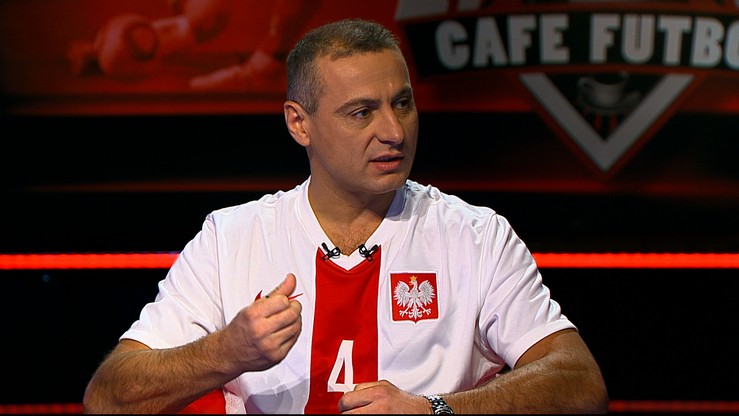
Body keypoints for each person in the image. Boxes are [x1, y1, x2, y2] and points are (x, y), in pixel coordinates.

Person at [82, 18, 609, 414]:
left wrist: (435, 410)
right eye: (362, 112)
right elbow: (107, 398)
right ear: (299, 124)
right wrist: (226, 351)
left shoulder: (476, 236)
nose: (394, 132)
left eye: (402, 104)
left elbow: (580, 383)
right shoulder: (232, 237)